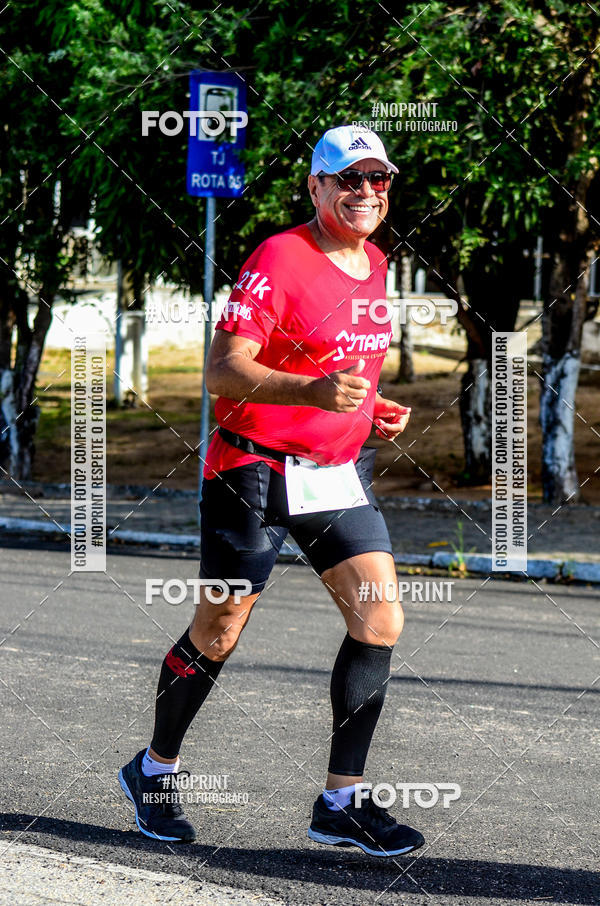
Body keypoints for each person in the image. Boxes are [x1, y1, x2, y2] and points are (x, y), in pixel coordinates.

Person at [119, 125, 425, 857]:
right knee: (219, 629)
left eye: (377, 180)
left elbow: (345, 365)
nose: (364, 192)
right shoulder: (280, 257)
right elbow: (223, 370)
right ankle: (154, 769)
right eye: (347, 180)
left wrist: (364, 408)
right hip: (250, 469)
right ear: (316, 187)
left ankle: (340, 803)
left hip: (334, 474)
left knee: (380, 622)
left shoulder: (377, 262)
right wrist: (315, 390)